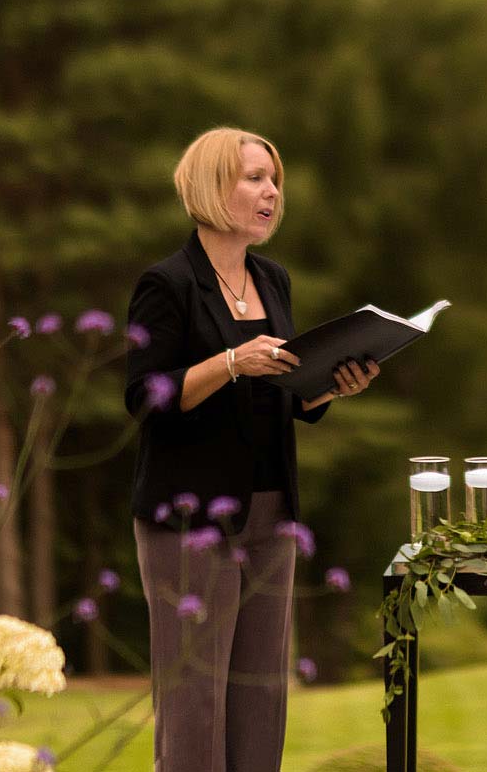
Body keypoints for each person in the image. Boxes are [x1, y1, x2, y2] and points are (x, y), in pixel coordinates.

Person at [124, 127, 382, 772]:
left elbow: (286, 394)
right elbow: (146, 396)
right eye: (254, 178)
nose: (271, 192)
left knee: (262, 699)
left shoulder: (273, 279)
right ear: (212, 186)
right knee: (193, 703)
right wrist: (231, 361)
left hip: (272, 514)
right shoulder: (167, 283)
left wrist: (331, 385)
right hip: (190, 522)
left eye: (274, 180)